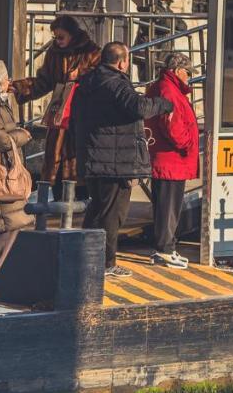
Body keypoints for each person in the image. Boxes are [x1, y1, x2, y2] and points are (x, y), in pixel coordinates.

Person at [72, 41, 173, 278]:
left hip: (92, 157)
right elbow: (139, 107)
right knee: (113, 215)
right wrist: (165, 104)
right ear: (122, 62)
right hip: (114, 163)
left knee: (96, 210)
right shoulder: (116, 83)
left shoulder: (87, 83)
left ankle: (84, 258)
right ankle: (106, 263)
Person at [11, 14, 101, 185]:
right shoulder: (54, 53)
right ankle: (55, 193)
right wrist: (20, 87)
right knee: (54, 159)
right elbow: (44, 81)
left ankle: (79, 195)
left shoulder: (91, 52)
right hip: (59, 112)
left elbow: (103, 80)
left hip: (82, 113)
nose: (57, 41)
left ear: (72, 35)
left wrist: (81, 74)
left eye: (61, 37)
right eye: (55, 37)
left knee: (78, 158)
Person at [145, 52, 199, 269]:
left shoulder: (165, 87)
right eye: (188, 73)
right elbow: (172, 126)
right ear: (177, 71)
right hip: (171, 160)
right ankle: (164, 250)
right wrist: (187, 143)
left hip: (168, 160)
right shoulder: (169, 90)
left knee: (165, 206)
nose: (189, 77)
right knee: (168, 207)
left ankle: (165, 248)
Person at [0, 60, 32, 281]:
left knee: (10, 223)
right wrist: (23, 135)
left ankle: (0, 270)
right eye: (5, 78)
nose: (8, 81)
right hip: (1, 170)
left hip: (6, 167)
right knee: (5, 223)